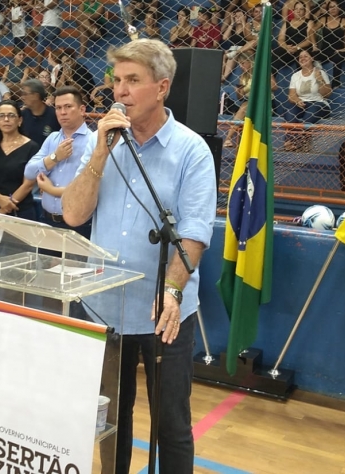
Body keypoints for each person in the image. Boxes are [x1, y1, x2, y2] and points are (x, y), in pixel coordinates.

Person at [61, 38, 217, 474]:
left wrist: (171, 290)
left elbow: (192, 234)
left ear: (162, 87)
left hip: (164, 311)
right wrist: (98, 153)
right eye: (116, 81)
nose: (121, 92)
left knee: (171, 423)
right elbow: (73, 213)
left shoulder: (191, 151)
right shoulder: (103, 142)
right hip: (105, 305)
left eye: (133, 81)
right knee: (112, 420)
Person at [23, 86, 92, 237]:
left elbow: (86, 190)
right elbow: (29, 172)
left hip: (79, 225)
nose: (62, 112)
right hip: (47, 220)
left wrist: (50, 189)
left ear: (81, 109)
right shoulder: (52, 138)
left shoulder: (93, 141)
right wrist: (55, 157)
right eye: (58, 108)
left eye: (68, 107)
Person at [0, 99, 40, 218]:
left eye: (11, 115)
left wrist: (2, 211)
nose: (6, 119)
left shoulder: (32, 148)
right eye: (1, 116)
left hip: (19, 211)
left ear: (19, 120)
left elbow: (28, 185)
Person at [283, 49, 332, 149]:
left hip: (319, 103)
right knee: (289, 112)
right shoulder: (295, 76)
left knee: (309, 115)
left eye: (306, 56)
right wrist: (297, 101)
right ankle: (301, 142)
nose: (302, 58)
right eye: (300, 57)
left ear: (312, 58)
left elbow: (327, 94)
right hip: (301, 103)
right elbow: (291, 95)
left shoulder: (320, 73)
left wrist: (319, 80)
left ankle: (292, 141)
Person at [19, 78, 61, 148]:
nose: (22, 97)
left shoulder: (54, 115)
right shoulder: (22, 115)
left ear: (36, 96)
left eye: (25, 94)